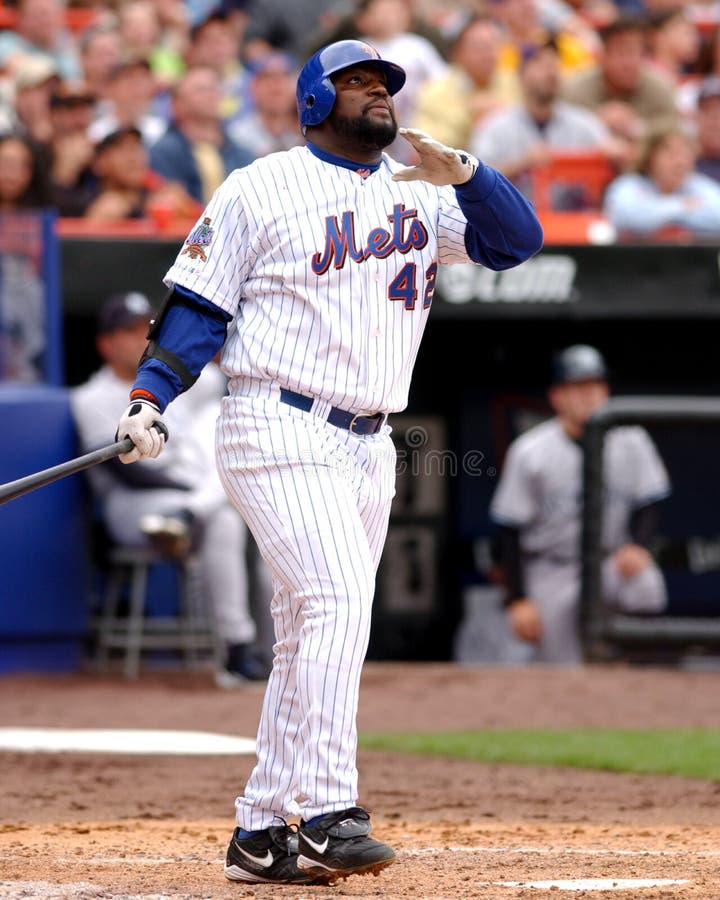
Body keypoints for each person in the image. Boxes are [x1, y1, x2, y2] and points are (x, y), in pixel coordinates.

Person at [102, 39, 542, 885]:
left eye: (384, 83)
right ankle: (330, 812)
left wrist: (474, 175)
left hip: (370, 439)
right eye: (356, 83)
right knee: (338, 600)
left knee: (309, 629)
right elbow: (196, 305)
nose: (378, 93)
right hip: (276, 419)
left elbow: (515, 243)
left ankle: (261, 829)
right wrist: (151, 397)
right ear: (312, 101)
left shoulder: (421, 194)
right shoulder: (261, 186)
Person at [71, 291, 270, 687]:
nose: (141, 338)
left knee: (225, 513)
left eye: (144, 327)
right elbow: (124, 472)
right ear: (106, 343)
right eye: (128, 331)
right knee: (221, 511)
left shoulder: (191, 382)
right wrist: (189, 490)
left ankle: (238, 646)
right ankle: (238, 650)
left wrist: (193, 497)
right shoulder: (90, 397)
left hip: (195, 499)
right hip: (134, 504)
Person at [489, 344, 671, 665]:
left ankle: (640, 675)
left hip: (608, 564)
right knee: (563, 669)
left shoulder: (632, 440)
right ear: (556, 396)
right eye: (578, 387)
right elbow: (508, 530)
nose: (589, 396)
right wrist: (517, 600)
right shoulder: (531, 451)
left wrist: (639, 546)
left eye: (595, 386)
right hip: (552, 570)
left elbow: (650, 499)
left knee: (645, 582)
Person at [469, 39, 616, 207]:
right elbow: (475, 180)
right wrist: (522, 163)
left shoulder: (584, 123)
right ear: (522, 74)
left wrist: (615, 154)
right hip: (511, 222)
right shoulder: (495, 126)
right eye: (540, 64)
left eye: (554, 64)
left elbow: (612, 152)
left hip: (572, 223)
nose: (550, 72)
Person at [559, 14, 681, 168]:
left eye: (637, 53)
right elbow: (558, 131)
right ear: (602, 56)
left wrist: (637, 127)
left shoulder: (660, 87)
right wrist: (596, 123)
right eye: (622, 53)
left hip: (646, 177)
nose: (630, 63)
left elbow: (674, 126)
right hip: (583, 177)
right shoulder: (575, 89)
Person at [412, 14, 521, 150]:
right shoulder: (435, 91)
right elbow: (425, 147)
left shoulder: (514, 82)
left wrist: (502, 113)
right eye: (480, 47)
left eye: (493, 46)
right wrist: (470, 118)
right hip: (456, 167)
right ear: (457, 53)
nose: (488, 54)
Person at [148, 66, 255, 205]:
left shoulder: (242, 154)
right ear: (177, 105)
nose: (212, 94)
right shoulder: (162, 153)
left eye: (215, 88)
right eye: (201, 90)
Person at [603, 126, 720, 237]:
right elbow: (626, 217)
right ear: (650, 158)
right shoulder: (628, 184)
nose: (680, 162)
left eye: (685, 154)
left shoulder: (699, 185)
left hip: (691, 256)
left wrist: (658, 214)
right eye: (672, 155)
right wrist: (682, 205)